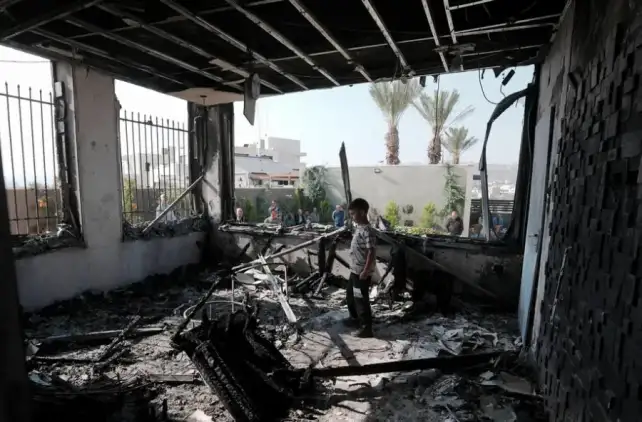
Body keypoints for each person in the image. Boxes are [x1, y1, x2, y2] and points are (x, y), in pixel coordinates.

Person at [345, 198, 376, 338]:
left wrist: (365, 271)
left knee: (361, 300)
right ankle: (354, 319)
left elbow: (371, 252)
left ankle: (366, 328)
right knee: (350, 296)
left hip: (361, 273)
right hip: (355, 270)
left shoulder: (368, 231)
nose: (352, 217)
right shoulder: (359, 228)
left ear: (362, 212)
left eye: (353, 214)